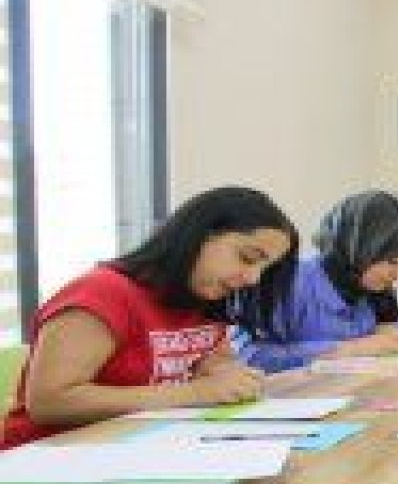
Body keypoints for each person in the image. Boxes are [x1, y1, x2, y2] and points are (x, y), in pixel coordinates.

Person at [2, 187, 298, 450]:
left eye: (264, 269)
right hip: (47, 459)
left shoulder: (204, 299)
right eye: (247, 258)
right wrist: (195, 392)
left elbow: (215, 364)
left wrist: (228, 376)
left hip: (135, 450)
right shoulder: (103, 293)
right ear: (199, 234)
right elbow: (49, 402)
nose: (252, 278)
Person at [233, 190, 398, 373]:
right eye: (395, 261)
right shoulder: (287, 280)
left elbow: (396, 339)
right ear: (360, 247)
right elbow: (248, 356)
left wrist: (395, 341)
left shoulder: (375, 288)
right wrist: (351, 349)